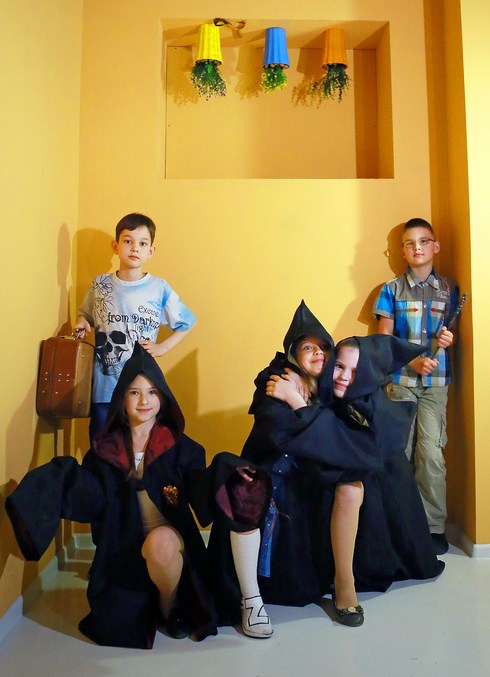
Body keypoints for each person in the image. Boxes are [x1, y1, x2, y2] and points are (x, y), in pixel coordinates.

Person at [194, 302, 442, 638]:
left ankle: (345, 583)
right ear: (293, 352)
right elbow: (288, 435)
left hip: (314, 475)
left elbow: (347, 444)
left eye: (323, 347)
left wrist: (299, 404)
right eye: (307, 347)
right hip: (279, 478)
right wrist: (301, 410)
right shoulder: (277, 381)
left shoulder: (333, 390)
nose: (317, 354)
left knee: (355, 485)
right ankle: (252, 598)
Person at [6, 343, 217, 649]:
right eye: (134, 392)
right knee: (116, 621)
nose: (144, 400)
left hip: (171, 540)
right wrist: (54, 481)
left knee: (160, 545)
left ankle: (169, 607)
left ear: (162, 398)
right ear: (121, 400)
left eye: (152, 392)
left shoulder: (181, 447)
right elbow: (90, 496)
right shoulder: (105, 451)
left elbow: (200, 486)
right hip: (124, 541)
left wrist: (228, 480)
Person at [373, 217, 459, 555]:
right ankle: (399, 526)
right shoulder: (391, 290)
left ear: (435, 246)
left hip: (435, 385)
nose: (417, 248)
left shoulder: (449, 289)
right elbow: (383, 342)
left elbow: (450, 335)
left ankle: (432, 528)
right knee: (400, 454)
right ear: (402, 252)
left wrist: (448, 340)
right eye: (410, 243)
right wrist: (412, 361)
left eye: (423, 241)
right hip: (401, 383)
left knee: (431, 455)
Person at [75, 212, 196, 441]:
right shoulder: (100, 285)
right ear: (115, 246)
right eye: (128, 241)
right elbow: (85, 314)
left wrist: (163, 347)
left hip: (141, 389)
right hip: (105, 387)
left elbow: (187, 322)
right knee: (103, 444)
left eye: (142, 243)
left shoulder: (159, 288)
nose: (134, 248)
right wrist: (82, 324)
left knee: (138, 446)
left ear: (151, 250)